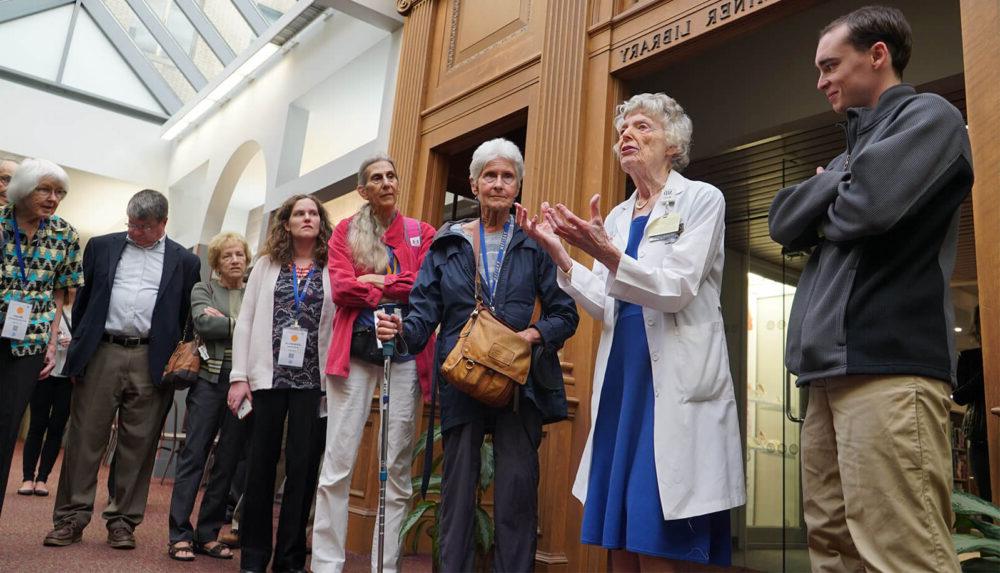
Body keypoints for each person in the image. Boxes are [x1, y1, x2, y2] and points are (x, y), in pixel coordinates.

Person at [768, 6, 972, 572]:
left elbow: (870, 207)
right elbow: (782, 222)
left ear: (877, 55)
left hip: (889, 368)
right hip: (825, 376)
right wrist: (840, 180)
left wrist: (827, 192)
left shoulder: (932, 119)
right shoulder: (845, 155)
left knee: (903, 551)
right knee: (831, 546)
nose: (821, 80)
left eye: (831, 64)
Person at [517, 93, 745, 571]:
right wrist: (562, 255)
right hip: (624, 375)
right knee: (619, 533)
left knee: (657, 530)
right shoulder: (619, 217)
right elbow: (606, 299)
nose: (627, 136)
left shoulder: (702, 199)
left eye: (643, 127)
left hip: (673, 380)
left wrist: (608, 254)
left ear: (674, 145)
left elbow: (678, 288)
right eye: (623, 130)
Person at [377, 138, 579, 573]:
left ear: (518, 186)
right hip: (460, 379)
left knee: (516, 495)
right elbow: (422, 314)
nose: (499, 184)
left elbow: (566, 315)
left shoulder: (534, 244)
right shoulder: (447, 244)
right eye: (491, 175)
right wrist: (400, 332)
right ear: (474, 183)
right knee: (456, 494)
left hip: (518, 385)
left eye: (508, 177)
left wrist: (532, 334)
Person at [45, 189, 201, 549]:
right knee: (85, 439)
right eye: (131, 223)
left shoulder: (185, 262)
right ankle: (71, 518)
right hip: (103, 351)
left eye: (143, 226)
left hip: (152, 358)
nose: (134, 231)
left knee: (138, 444)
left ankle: (122, 521)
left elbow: (184, 317)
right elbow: (82, 303)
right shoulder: (101, 247)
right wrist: (81, 351)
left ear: (163, 224)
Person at [312, 155, 436, 573]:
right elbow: (342, 287)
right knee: (338, 463)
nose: (385, 182)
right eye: (375, 178)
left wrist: (378, 281)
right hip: (354, 354)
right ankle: (327, 563)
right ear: (363, 190)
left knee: (397, 467)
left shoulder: (422, 233)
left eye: (390, 176)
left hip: (406, 355)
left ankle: (386, 566)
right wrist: (387, 291)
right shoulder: (346, 231)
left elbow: (425, 285)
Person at [227, 194, 334, 573]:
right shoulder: (266, 265)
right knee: (260, 466)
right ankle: (254, 556)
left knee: (303, 470)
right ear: (286, 223)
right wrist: (239, 376)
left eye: (313, 213)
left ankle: (289, 559)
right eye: (299, 213)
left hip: (312, 383)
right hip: (266, 378)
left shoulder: (331, 266)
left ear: (321, 222)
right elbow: (245, 321)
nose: (307, 218)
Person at [0, 158, 81, 516]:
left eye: (59, 192)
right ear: (21, 190)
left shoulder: (65, 234)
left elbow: (60, 293)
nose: (53, 198)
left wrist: (50, 344)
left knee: (6, 432)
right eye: (44, 189)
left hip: (29, 343)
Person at [167, 231, 251, 561]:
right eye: (227, 255)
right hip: (208, 383)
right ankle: (179, 534)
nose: (234, 260)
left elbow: (262, 329)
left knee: (228, 461)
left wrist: (228, 323)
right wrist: (243, 323)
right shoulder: (204, 289)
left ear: (247, 260)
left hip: (245, 386)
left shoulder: (253, 292)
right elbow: (204, 325)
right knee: (194, 456)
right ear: (216, 262)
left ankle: (207, 534)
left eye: (240, 255)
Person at [19, 288, 77, 497]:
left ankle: (43, 478)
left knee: (56, 428)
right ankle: (27, 477)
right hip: (44, 373)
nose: (72, 287)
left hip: (68, 377)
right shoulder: (49, 307)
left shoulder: (81, 310)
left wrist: (74, 343)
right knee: (37, 425)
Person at [953, 306, 989, 502]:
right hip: (980, 436)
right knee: (987, 497)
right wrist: (987, 371)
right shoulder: (969, 358)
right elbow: (959, 396)